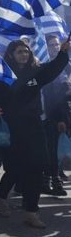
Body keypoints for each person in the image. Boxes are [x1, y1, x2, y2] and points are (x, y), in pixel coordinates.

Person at [0, 38, 70, 228]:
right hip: (12, 127)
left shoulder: (36, 71)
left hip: (34, 126)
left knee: (37, 167)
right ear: (11, 55)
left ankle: (31, 211)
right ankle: (2, 197)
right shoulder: (2, 75)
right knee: (15, 169)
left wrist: (63, 53)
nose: (24, 54)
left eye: (26, 51)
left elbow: (52, 69)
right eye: (19, 52)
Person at [40, 34, 68, 197]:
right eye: (51, 45)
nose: (55, 47)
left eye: (57, 44)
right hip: (45, 115)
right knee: (48, 150)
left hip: (59, 114)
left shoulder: (66, 66)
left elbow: (62, 97)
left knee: (55, 150)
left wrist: (62, 119)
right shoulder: (43, 66)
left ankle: (54, 179)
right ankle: (49, 180)